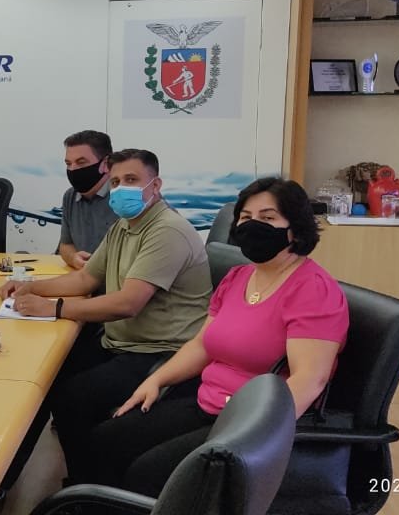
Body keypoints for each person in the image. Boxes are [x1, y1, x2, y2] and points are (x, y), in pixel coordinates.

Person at [90, 177, 348, 496]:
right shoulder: (238, 277)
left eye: (268, 218)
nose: (253, 225)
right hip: (208, 402)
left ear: (295, 229)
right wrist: (156, 380)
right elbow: (202, 344)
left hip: (249, 422)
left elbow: (310, 379)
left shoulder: (313, 291)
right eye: (246, 217)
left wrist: (251, 435)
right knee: (106, 441)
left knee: (147, 473)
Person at [0, 148, 212, 486]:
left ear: (155, 185)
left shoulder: (167, 231)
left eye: (131, 180)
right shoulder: (124, 226)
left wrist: (53, 308)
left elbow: (128, 303)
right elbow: (86, 278)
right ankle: (8, 481)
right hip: (122, 341)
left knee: (72, 399)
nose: (121, 188)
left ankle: (87, 490)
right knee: (44, 376)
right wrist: (30, 287)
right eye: (115, 181)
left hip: (161, 351)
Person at [58, 130, 118, 271]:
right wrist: (73, 258)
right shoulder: (70, 196)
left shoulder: (125, 196)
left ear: (106, 164)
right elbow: (65, 245)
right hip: (84, 278)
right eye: (68, 163)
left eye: (81, 162)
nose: (73, 170)